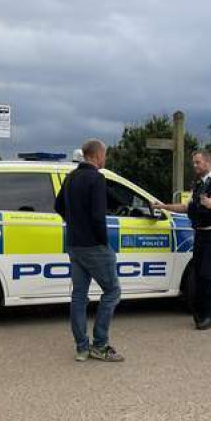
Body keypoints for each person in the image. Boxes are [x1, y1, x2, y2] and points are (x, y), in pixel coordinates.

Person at [153, 150, 211, 330]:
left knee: (208, 276)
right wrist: (163, 206)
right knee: (199, 276)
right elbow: (187, 207)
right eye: (194, 162)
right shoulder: (198, 185)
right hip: (200, 235)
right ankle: (202, 314)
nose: (194, 166)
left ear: (208, 163)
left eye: (197, 162)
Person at [54, 139, 124, 362]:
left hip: (74, 244)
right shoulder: (96, 178)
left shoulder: (71, 177)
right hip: (93, 246)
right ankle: (100, 345)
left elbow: (58, 206)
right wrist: (103, 241)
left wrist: (74, 224)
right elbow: (97, 216)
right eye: (105, 155)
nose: (105, 159)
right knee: (112, 291)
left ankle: (81, 347)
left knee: (78, 296)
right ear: (96, 155)